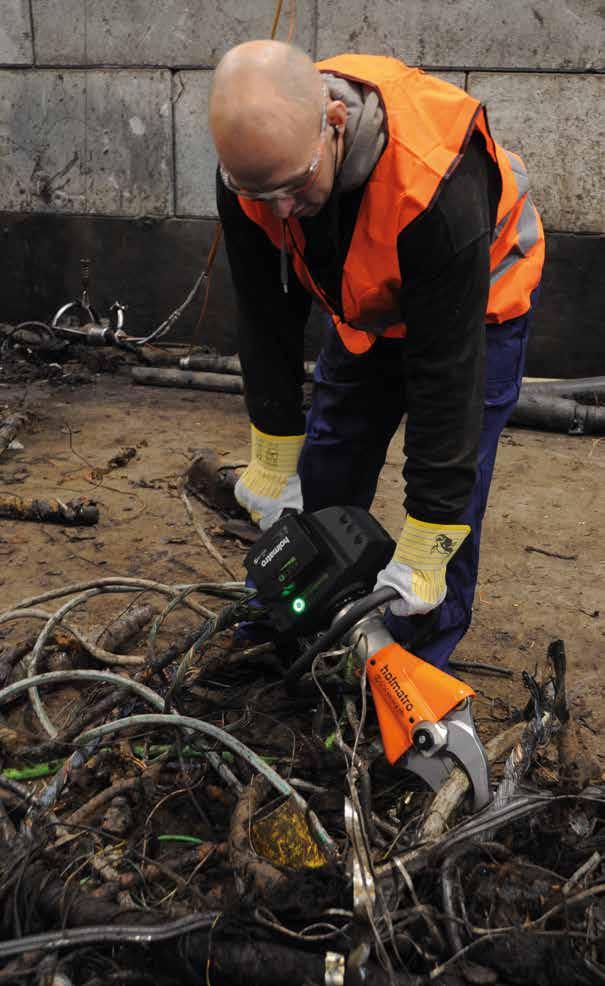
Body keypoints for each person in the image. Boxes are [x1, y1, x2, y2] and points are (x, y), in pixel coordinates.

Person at [208, 41, 544, 670]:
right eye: (261, 193)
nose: (279, 211)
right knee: (331, 457)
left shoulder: (434, 180)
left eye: (293, 188)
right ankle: (293, 624)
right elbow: (265, 314)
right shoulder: (255, 166)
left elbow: (448, 379)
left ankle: (413, 671)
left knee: (449, 510)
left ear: (334, 124)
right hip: (370, 307)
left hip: (480, 304)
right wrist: (273, 453)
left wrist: (428, 535)